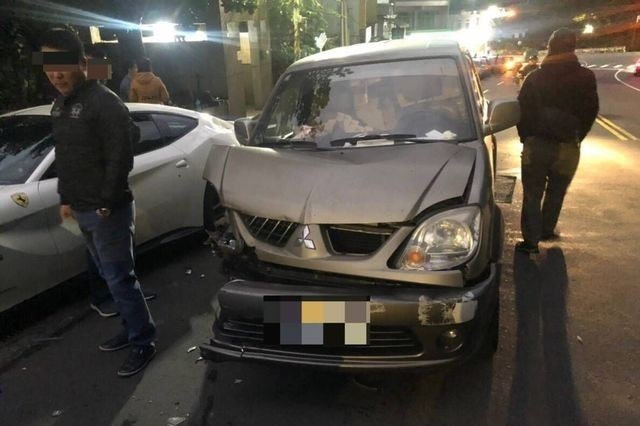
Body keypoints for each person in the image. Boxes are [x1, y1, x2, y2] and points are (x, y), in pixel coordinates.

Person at [41, 27, 156, 377]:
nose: (56, 73)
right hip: (80, 208)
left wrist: (106, 203)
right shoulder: (60, 106)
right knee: (109, 278)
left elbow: (121, 157)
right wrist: (65, 198)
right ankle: (130, 328)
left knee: (121, 278)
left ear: (80, 63)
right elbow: (65, 156)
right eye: (49, 65)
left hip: (108, 211)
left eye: (62, 64)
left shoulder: (105, 103)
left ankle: (143, 342)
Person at [515, 28, 599, 254]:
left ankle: (531, 242)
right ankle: (546, 229)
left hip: (537, 144)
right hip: (568, 147)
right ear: (573, 47)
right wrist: (575, 137)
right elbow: (591, 112)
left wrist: (527, 137)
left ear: (550, 47)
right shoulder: (586, 77)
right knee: (556, 191)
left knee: (532, 194)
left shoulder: (535, 78)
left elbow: (521, 111)